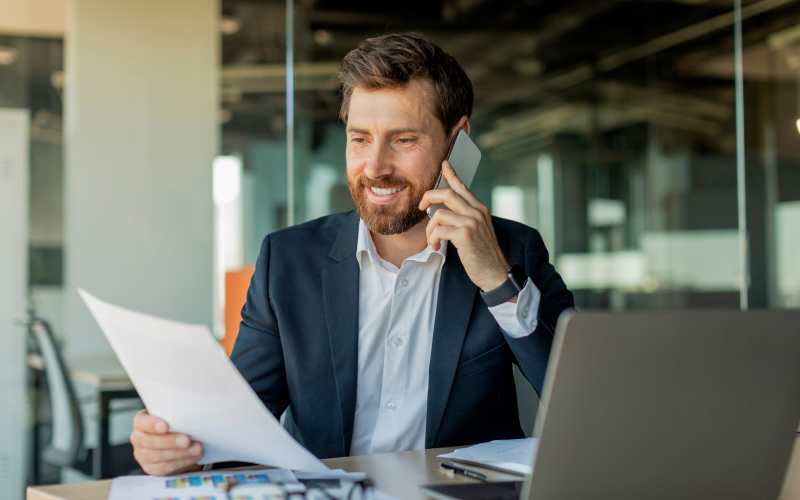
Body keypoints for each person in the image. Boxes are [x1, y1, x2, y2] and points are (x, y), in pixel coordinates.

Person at [129, 32, 574, 476]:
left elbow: (583, 404)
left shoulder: (513, 251)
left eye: (403, 140)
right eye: (360, 139)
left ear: (457, 141)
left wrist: (498, 281)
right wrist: (179, 446)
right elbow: (239, 428)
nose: (375, 167)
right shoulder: (287, 262)